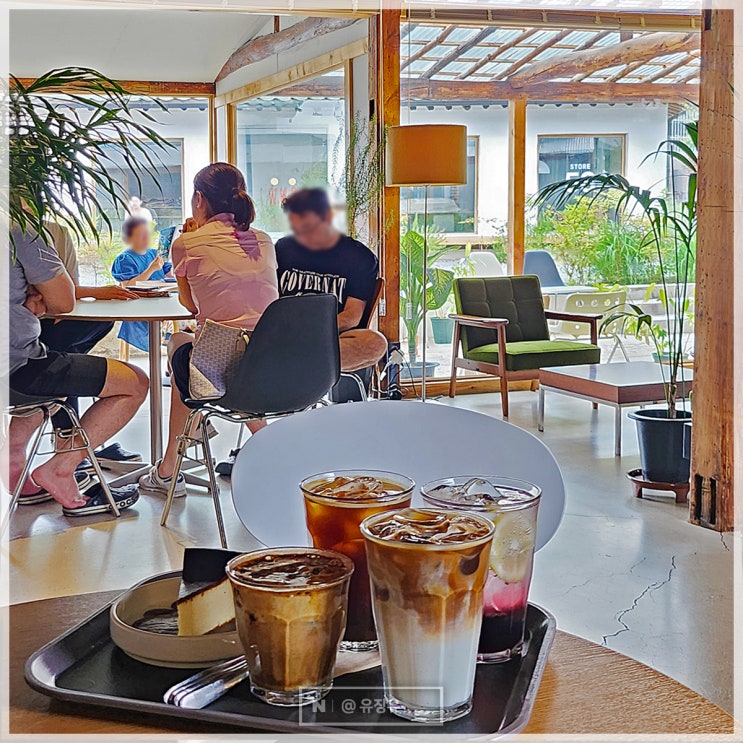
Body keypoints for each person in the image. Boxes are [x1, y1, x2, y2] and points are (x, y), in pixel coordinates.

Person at [138, 162, 279, 497]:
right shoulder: (264, 240)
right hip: (272, 364)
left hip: (218, 371)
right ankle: (270, 444)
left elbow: (190, 305)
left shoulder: (186, 244)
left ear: (199, 199)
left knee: (179, 346)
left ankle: (170, 468)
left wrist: (189, 239)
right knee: (190, 355)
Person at [4, 227, 148, 515]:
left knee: (63, 358)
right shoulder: (20, 229)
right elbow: (63, 300)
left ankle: (13, 457)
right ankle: (61, 467)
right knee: (135, 382)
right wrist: (36, 298)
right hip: (15, 368)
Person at [40, 222, 143, 469]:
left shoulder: (55, 232)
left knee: (93, 330)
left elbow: (66, 293)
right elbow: (62, 296)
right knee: (137, 381)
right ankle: (71, 451)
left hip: (36, 336)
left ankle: (70, 444)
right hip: (29, 344)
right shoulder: (28, 235)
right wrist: (98, 292)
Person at [275, 188, 387, 372]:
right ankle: (307, 365)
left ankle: (297, 365)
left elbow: (352, 316)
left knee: (376, 343)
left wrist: (313, 331)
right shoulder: (283, 249)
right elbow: (274, 299)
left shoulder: (359, 257)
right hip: (288, 333)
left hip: (331, 338)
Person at [111, 217, 173, 352]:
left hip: (160, 300)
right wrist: (151, 269)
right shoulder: (125, 259)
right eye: (140, 234)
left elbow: (170, 274)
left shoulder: (154, 253)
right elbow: (127, 286)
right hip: (138, 305)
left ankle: (172, 351)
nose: (145, 237)